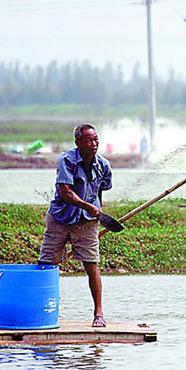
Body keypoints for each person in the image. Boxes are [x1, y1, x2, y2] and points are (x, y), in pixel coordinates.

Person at [38, 124, 113, 328]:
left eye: (96, 139)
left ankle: (98, 314)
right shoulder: (67, 160)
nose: (94, 143)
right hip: (60, 218)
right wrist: (87, 205)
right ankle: (39, 312)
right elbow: (65, 191)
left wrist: (95, 210)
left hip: (87, 222)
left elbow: (100, 190)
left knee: (92, 264)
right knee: (46, 264)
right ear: (78, 143)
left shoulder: (103, 165)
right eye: (89, 140)